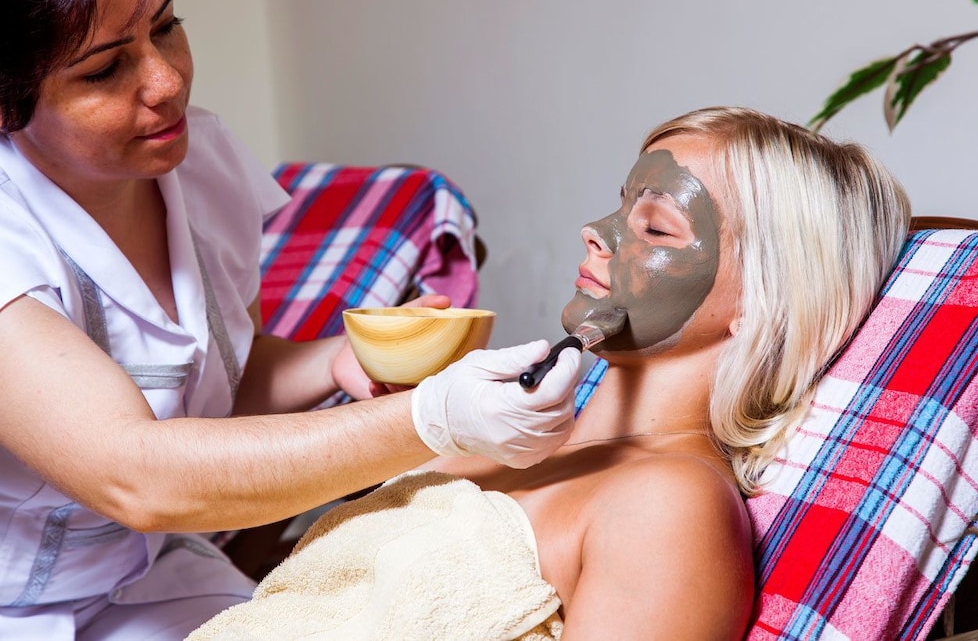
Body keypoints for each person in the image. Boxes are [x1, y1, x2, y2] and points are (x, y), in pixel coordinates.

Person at [0, 0, 582, 638]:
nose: (167, 81)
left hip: (146, 578)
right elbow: (137, 477)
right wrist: (435, 417)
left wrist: (335, 359)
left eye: (165, 27)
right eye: (104, 69)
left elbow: (218, 389)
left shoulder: (202, 165)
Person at [190, 106, 912, 640]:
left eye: (655, 226)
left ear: (762, 301)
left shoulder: (667, 506)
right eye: (622, 204)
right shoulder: (480, 439)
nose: (596, 231)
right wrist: (401, 408)